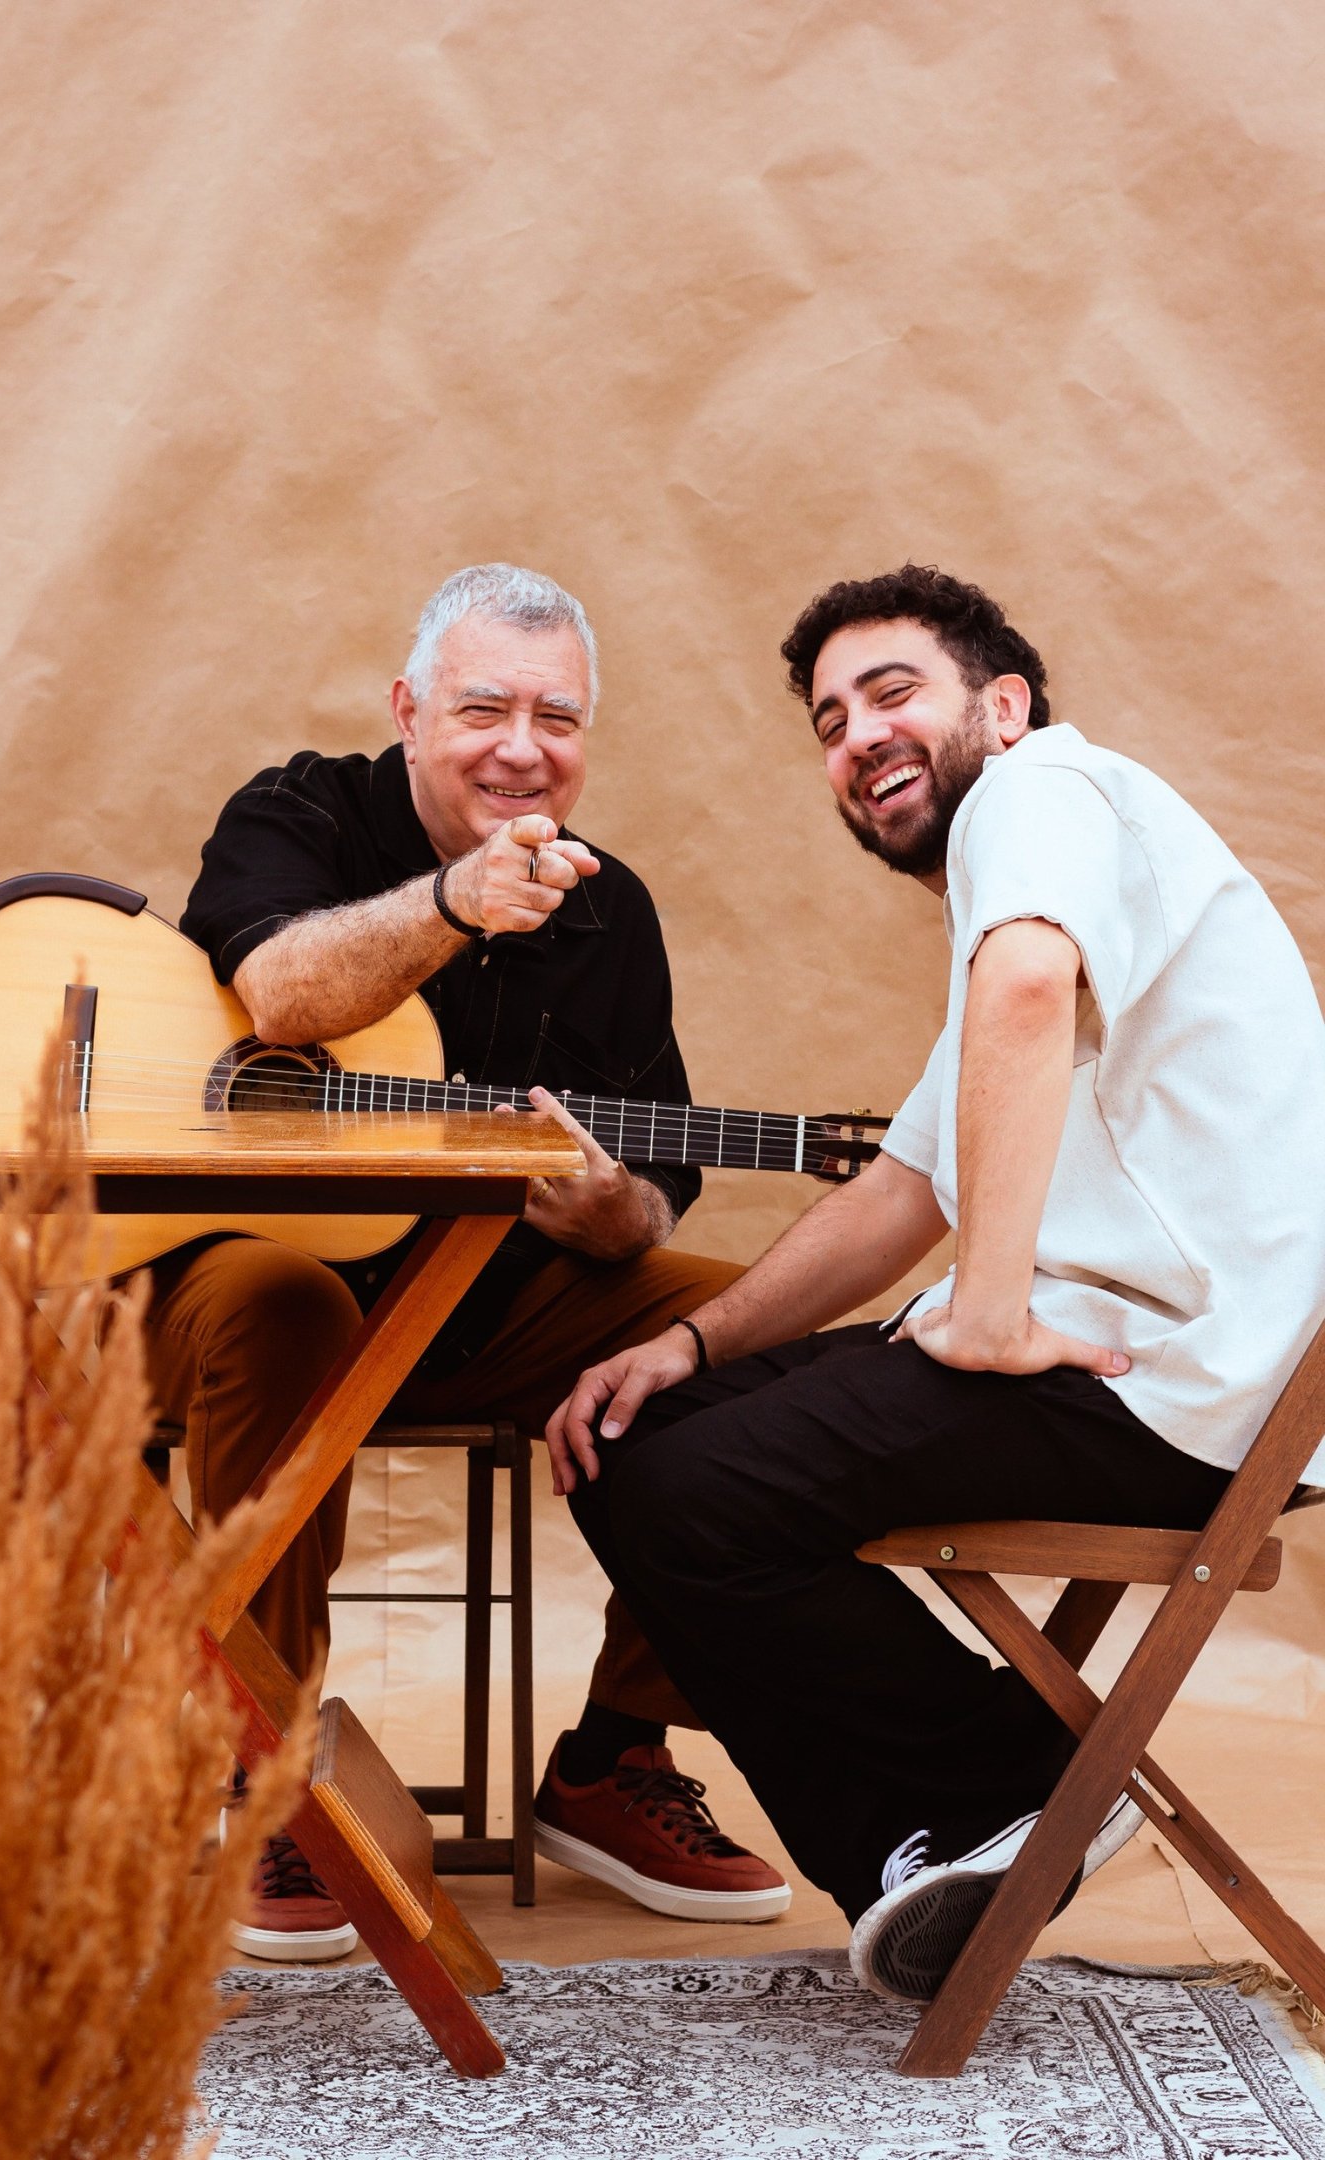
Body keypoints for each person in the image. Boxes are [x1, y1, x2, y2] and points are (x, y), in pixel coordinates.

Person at [547, 563, 1325, 2004]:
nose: (858, 737)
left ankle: (1005, 1785)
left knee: (683, 1494)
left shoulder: (1044, 795)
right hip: (1154, 1367)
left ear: (1004, 706)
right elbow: (904, 1191)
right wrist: (690, 1343)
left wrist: (986, 1313)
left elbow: (1028, 996)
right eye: (833, 722)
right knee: (636, 1429)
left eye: (893, 692)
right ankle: (954, 1827)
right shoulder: (1033, 885)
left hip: (1177, 1382)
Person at [146, 563, 789, 1961]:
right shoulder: (300, 812)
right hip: (237, 1285)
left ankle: (614, 1758)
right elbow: (277, 994)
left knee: (746, 1337)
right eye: (483, 706)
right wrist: (452, 904)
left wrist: (611, 1217)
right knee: (284, 1299)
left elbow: (653, 1189)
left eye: (556, 718)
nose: (520, 746)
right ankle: (263, 1776)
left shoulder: (610, 909)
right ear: (408, 710)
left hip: (485, 1307)